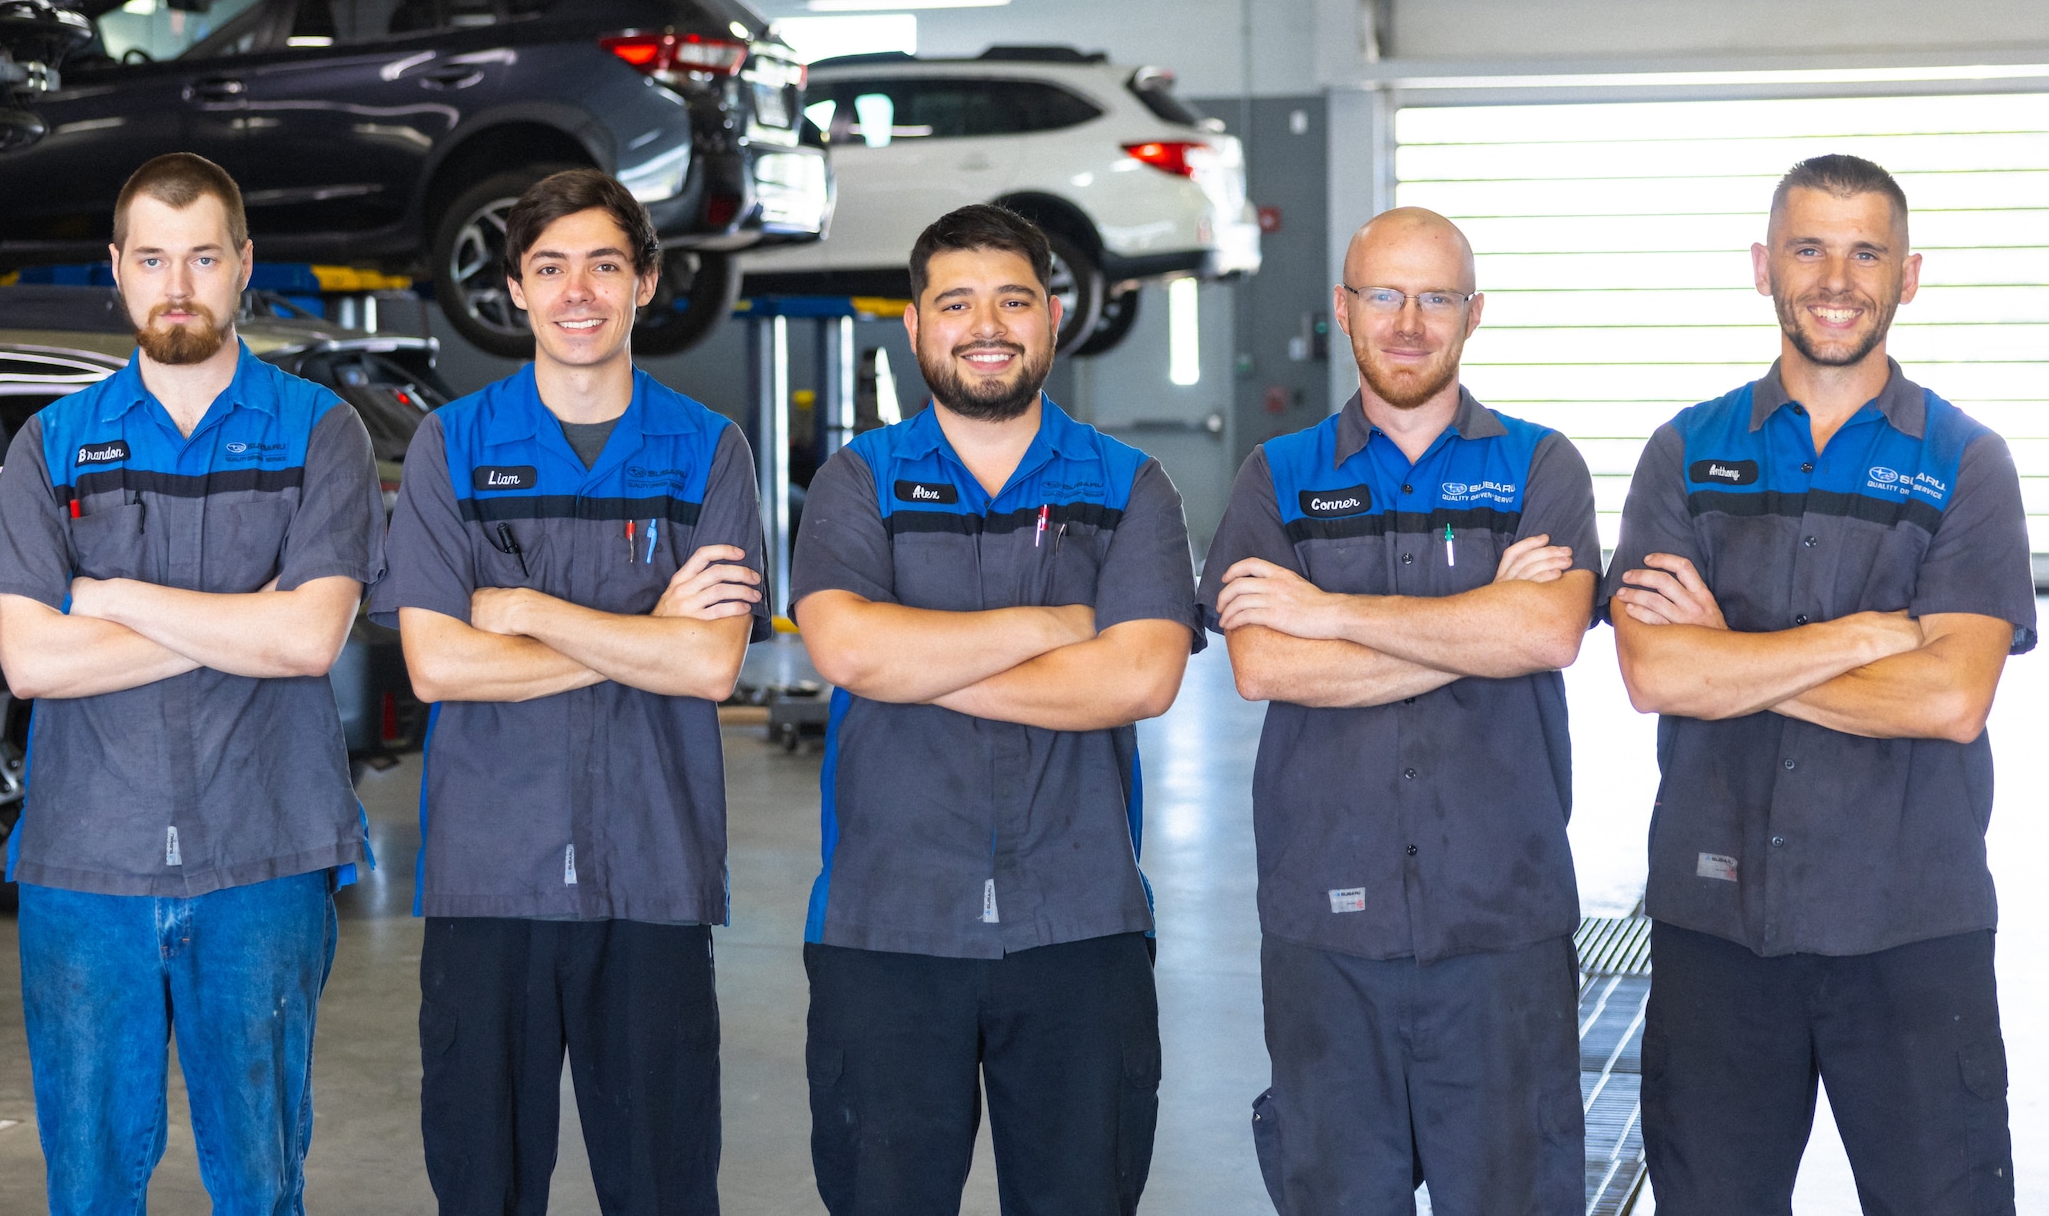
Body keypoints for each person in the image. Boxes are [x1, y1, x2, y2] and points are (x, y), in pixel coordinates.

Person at [1603, 154, 2030, 1214]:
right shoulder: (1684, 453)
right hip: (1716, 929)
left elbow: (1949, 698)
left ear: (1907, 275)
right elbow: (1657, 669)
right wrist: (1859, 639)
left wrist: (1733, 661)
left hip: (1911, 931)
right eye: (1808, 247)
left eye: (1864, 251)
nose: (1835, 277)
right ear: (1762, 266)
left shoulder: (1967, 462)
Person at [0, 153, 386, 1216]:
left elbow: (309, 638)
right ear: (116, 269)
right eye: (153, 258)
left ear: (243, 265)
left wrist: (107, 592)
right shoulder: (53, 445)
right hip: (85, 868)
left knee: (260, 1182)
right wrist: (241, 616)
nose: (178, 284)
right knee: (89, 1186)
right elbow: (31, 658)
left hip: (263, 858)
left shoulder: (320, 432)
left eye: (203, 256)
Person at [789, 203, 1197, 1216]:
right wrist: (1060, 623)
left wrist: (912, 658)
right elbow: (844, 647)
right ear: (916, 325)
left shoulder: (1130, 486)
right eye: (956, 301)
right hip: (885, 925)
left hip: (1081, 925)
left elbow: (1140, 677)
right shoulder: (856, 480)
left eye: (1012, 300)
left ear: (1052, 318)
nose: (986, 324)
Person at [372, 167, 766, 1216]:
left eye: (603, 264)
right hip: (486, 883)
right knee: (485, 1187)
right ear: (514, 289)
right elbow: (437, 665)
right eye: (550, 267)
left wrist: (527, 608)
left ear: (646, 280)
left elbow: (712, 665)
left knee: (663, 1186)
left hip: (654, 873)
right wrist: (650, 633)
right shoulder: (451, 446)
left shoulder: (707, 449)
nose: (577, 290)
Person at [1201, 207, 1598, 1215]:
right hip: (1326, 927)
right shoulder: (1274, 476)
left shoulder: (1540, 465)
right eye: (1383, 293)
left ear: (1474, 313)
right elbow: (1260, 663)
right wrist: (1475, 625)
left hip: (1500, 923)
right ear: (1342, 307)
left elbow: (1545, 636)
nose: (1408, 321)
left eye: (1436, 297)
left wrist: (1327, 612)